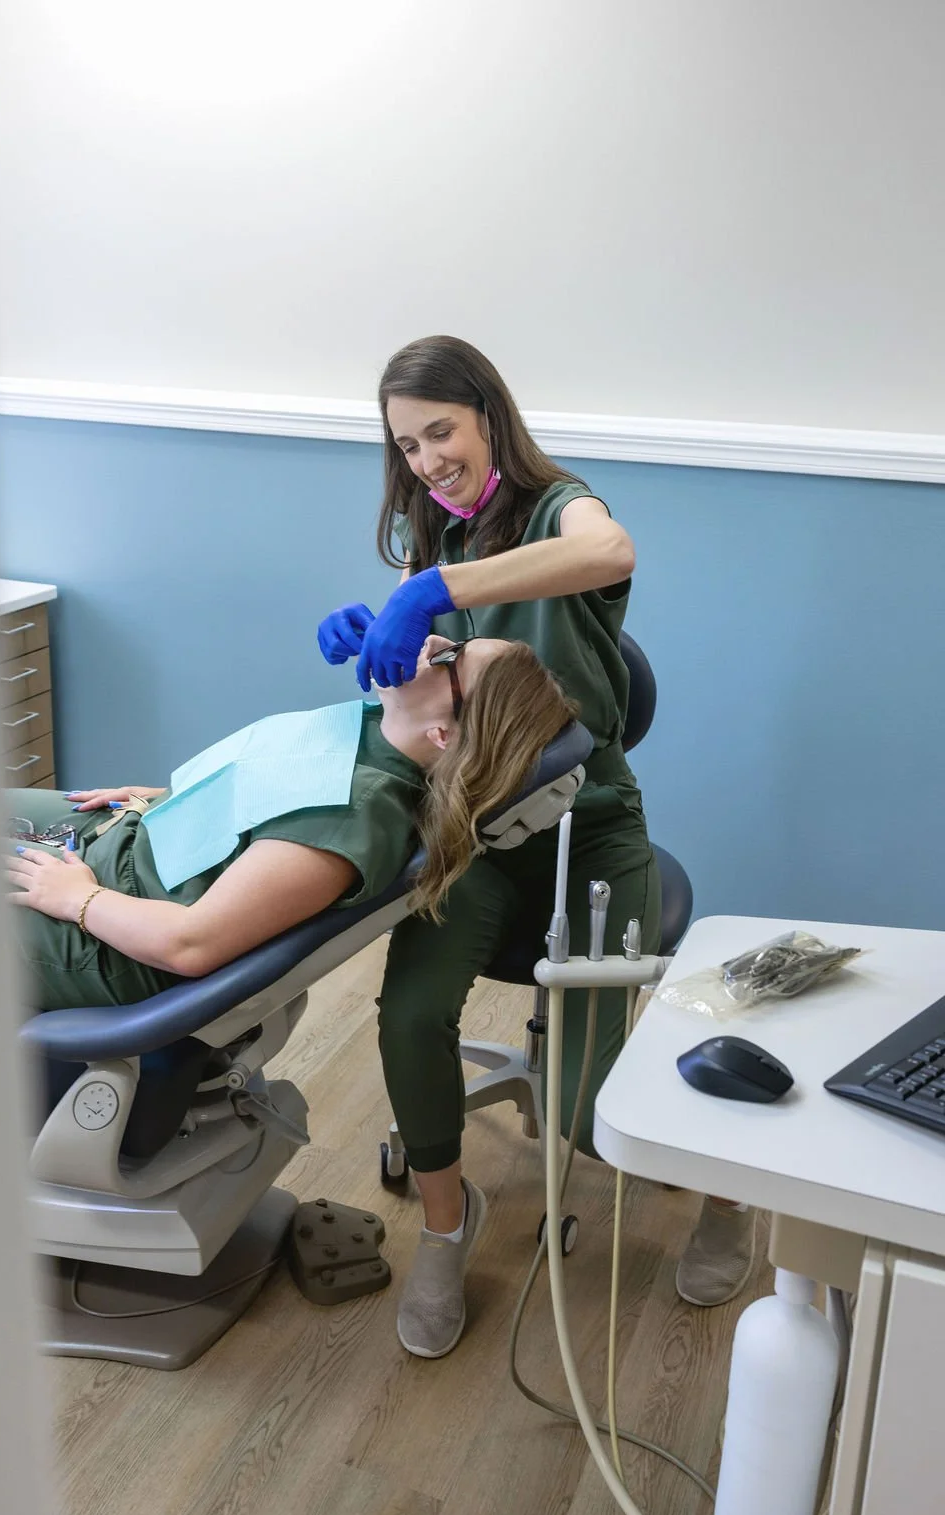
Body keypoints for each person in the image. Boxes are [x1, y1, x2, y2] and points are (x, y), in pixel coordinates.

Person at [317, 336, 755, 1359]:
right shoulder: (438, 536)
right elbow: (442, 706)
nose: (426, 460)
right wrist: (382, 646)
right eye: (406, 444)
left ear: (485, 416)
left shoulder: (562, 512)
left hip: (588, 827)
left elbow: (611, 555)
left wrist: (437, 594)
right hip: (472, 828)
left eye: (441, 432)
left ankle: (724, 1194)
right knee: (412, 1016)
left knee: (583, 1108)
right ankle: (443, 1222)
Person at [5, 637, 576, 1014]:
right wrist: (172, 800)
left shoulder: (350, 814)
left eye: (448, 657)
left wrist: (76, 899)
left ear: (444, 736)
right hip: (129, 847)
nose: (425, 643)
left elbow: (189, 945)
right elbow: (276, 791)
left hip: (109, 937)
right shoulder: (378, 731)